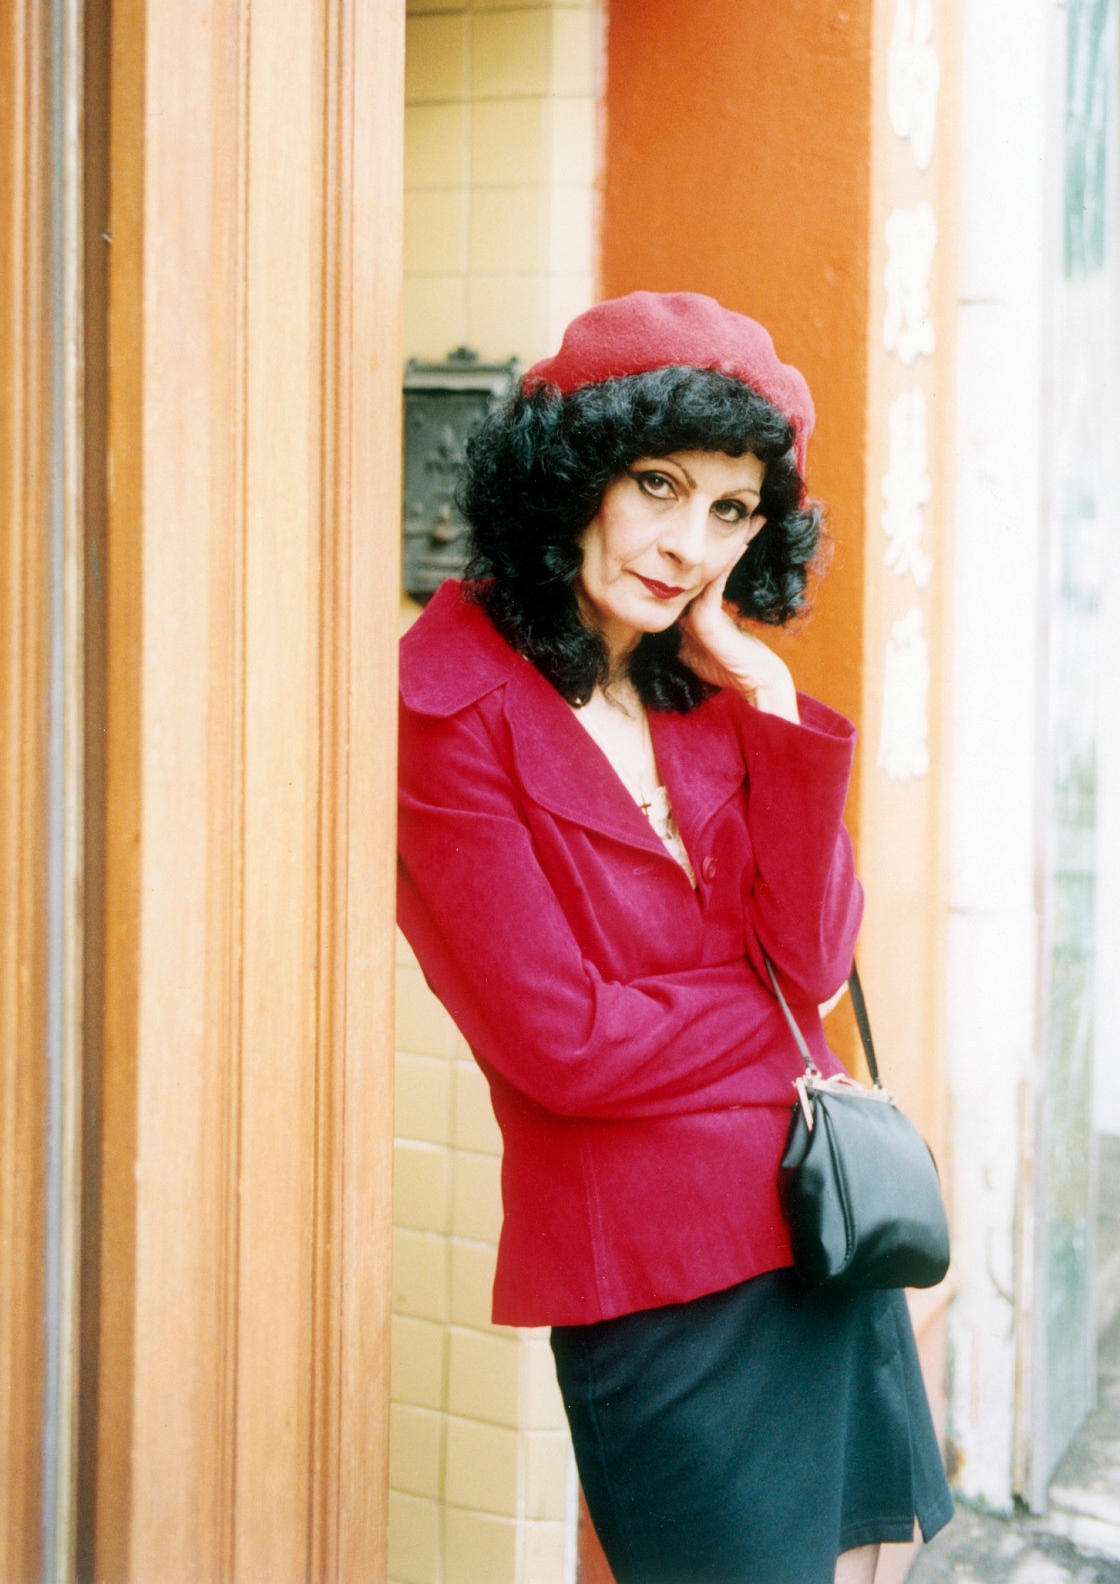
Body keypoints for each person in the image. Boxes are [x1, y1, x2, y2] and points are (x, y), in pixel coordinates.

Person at [396, 291, 953, 1584]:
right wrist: (756, 1008)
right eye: (657, 484)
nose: (687, 545)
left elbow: (809, 964)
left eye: (729, 509)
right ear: (571, 473)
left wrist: (766, 698)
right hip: (656, 1279)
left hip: (827, 1233)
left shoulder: (704, 688)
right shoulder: (444, 705)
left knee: (871, 1569)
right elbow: (562, 1045)